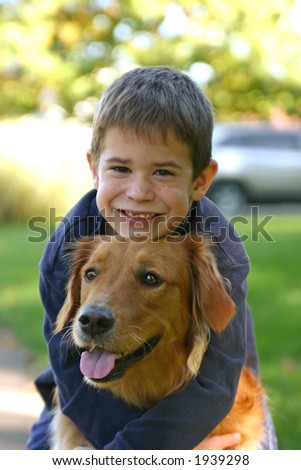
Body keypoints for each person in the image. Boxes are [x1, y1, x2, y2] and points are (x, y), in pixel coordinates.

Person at [27, 66, 277, 450]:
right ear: (95, 169)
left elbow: (216, 383)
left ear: (200, 181)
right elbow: (68, 367)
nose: (139, 192)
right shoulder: (64, 250)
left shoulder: (220, 252)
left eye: (162, 171)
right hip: (80, 391)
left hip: (211, 390)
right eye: (121, 169)